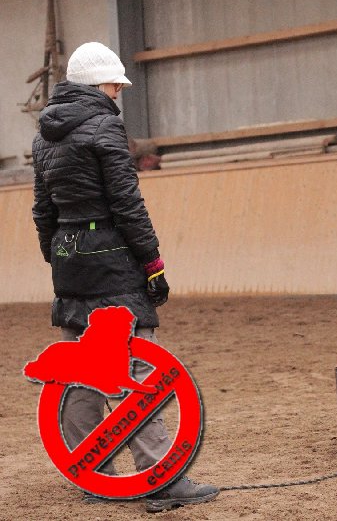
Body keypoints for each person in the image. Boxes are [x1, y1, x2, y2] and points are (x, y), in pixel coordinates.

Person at [31, 41, 219, 511]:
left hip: (70, 258)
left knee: (79, 369)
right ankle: (161, 479)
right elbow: (127, 203)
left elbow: (42, 210)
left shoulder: (43, 137)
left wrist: (57, 258)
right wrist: (153, 264)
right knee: (139, 367)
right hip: (113, 259)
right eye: (115, 83)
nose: (118, 92)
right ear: (100, 84)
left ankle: (91, 471)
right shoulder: (106, 126)